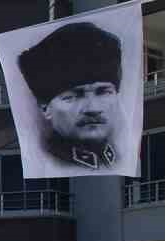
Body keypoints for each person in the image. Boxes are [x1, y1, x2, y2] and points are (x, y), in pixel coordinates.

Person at [17, 21, 123, 172]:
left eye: (103, 92)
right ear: (45, 108)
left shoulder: (119, 159)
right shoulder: (46, 162)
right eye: (73, 96)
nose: (92, 108)